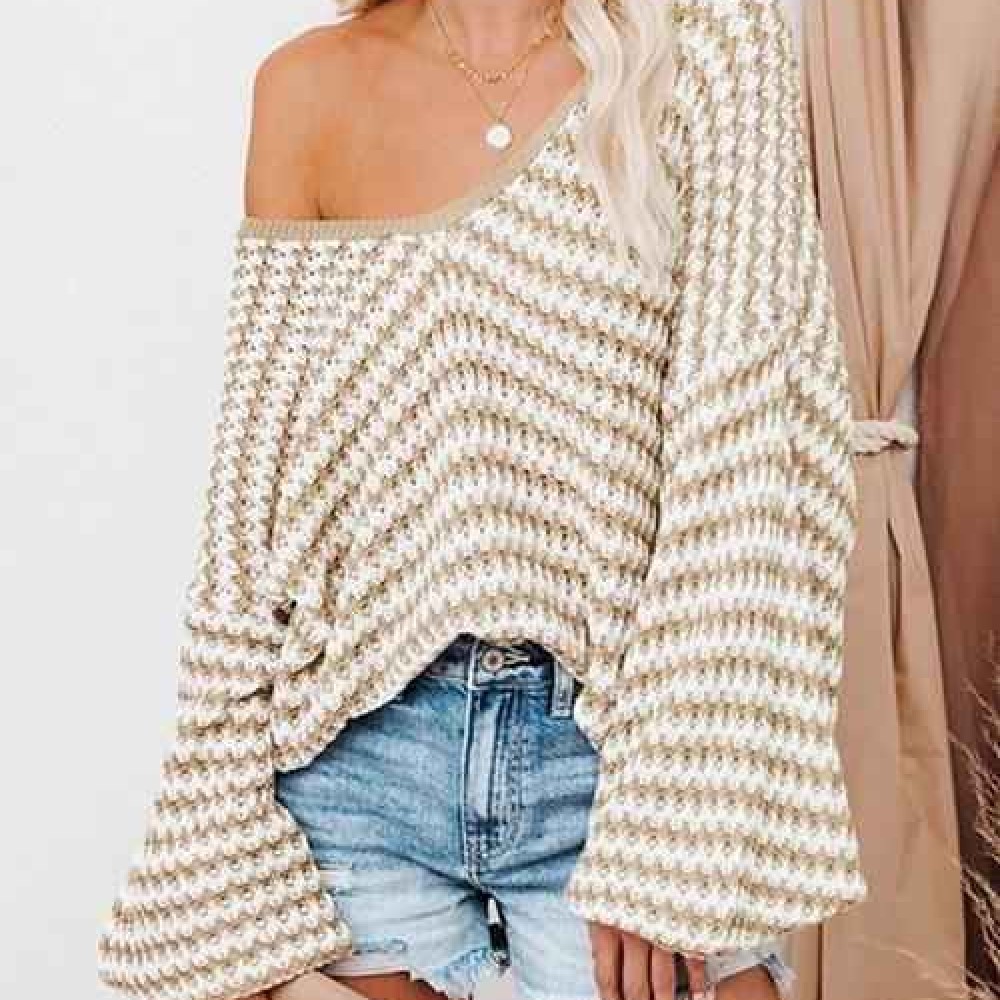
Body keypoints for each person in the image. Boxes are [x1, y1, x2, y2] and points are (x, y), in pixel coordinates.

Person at [96, 1, 867, 999]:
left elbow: (757, 448)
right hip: (355, 764)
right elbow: (254, 501)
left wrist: (676, 819)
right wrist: (213, 827)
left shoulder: (709, 52)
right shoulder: (307, 86)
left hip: (620, 760)